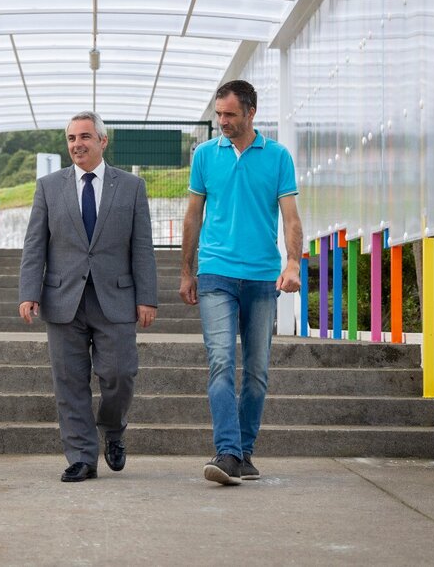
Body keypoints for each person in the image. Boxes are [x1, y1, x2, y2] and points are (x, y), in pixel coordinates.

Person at [18, 112, 158, 482]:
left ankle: (113, 427)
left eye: (84, 137)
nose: (77, 144)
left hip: (116, 298)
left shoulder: (131, 186)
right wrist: (29, 291)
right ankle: (81, 456)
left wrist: (147, 297)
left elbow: (142, 246)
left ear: (102, 141)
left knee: (120, 374)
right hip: (63, 298)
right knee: (69, 381)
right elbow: (35, 244)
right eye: (71, 138)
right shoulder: (49, 186)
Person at [179, 80, 303, 486]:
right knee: (220, 361)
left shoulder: (278, 157)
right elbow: (193, 215)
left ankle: (244, 454)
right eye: (219, 114)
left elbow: (291, 218)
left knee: (257, 371)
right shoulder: (204, 156)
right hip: (216, 272)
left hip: (262, 277)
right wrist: (186, 271)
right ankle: (228, 452)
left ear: (251, 112)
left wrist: (293, 263)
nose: (222, 121)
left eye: (230, 114)